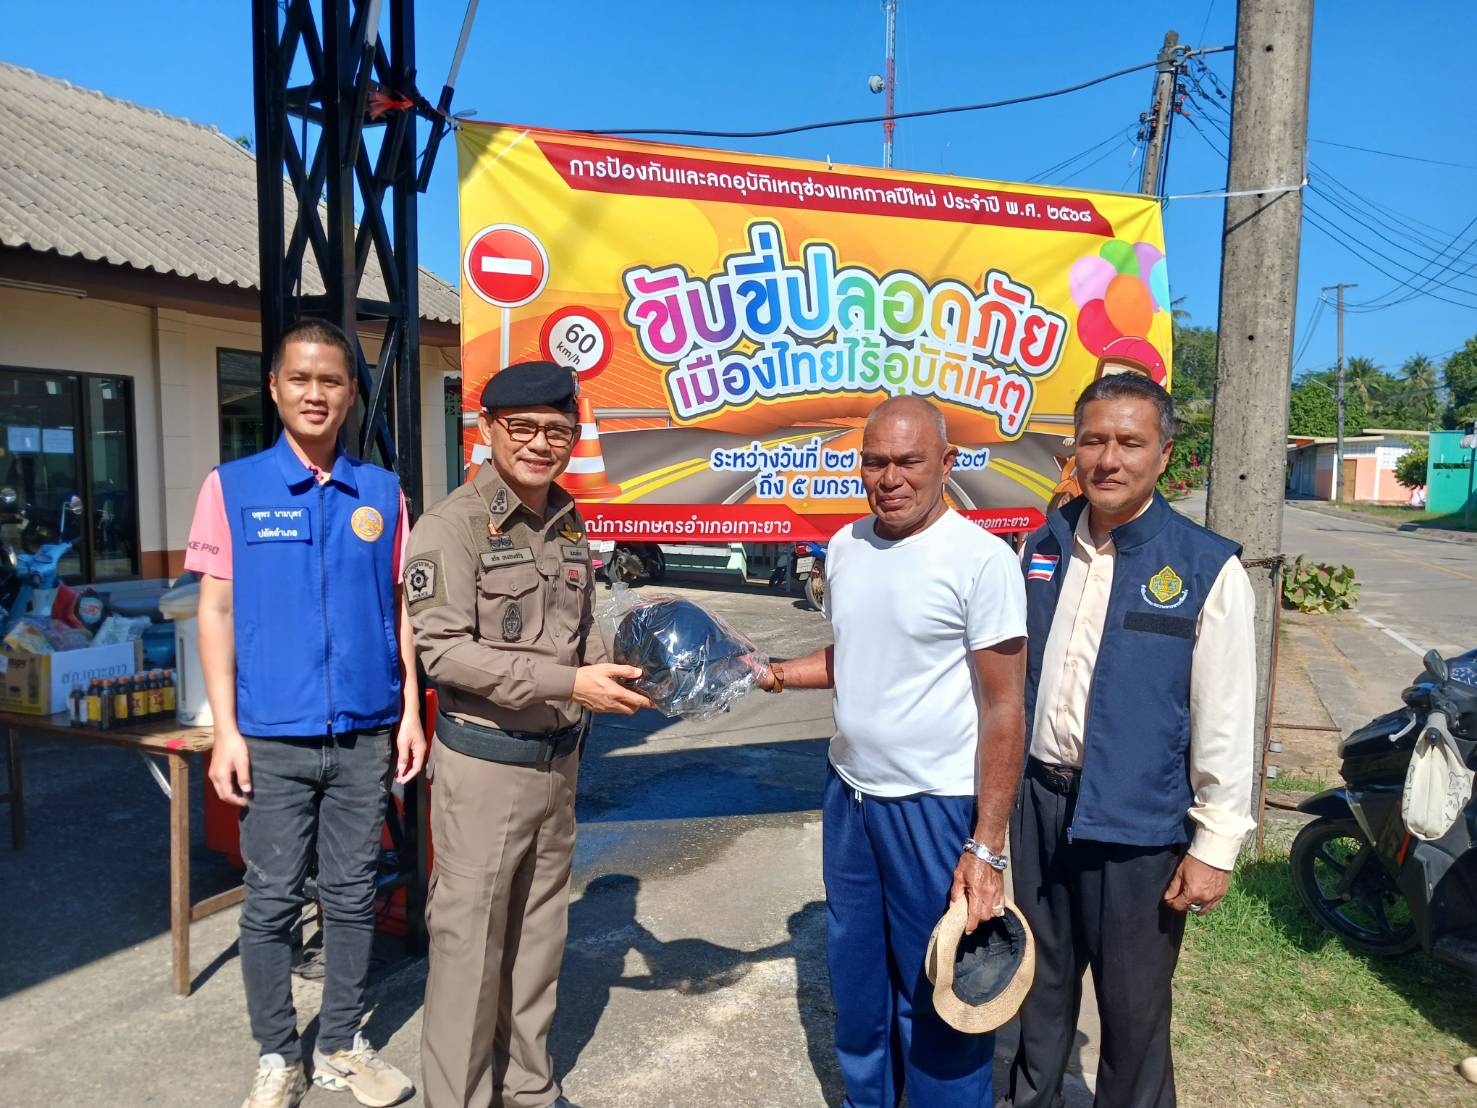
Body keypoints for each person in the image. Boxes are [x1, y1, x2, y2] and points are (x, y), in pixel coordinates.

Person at [753, 395, 1028, 1107]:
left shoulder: (982, 561)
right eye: (874, 462)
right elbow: (859, 654)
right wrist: (774, 673)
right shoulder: (846, 546)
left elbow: (1004, 707)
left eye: (909, 461)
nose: (890, 479)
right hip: (850, 795)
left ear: (948, 463)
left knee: (940, 986)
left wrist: (987, 846)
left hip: (934, 808)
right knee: (857, 980)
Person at [188, 318, 423, 1108]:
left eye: (331, 380)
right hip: (272, 736)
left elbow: (402, 610)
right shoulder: (232, 488)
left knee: (353, 895)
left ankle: (340, 1043)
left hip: (364, 733)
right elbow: (216, 610)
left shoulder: (382, 494)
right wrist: (225, 731)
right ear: (274, 388)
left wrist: (410, 714)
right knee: (273, 900)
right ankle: (277, 1055)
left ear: (352, 393)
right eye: (300, 378)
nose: (315, 393)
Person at [1004, 373, 1256, 1108]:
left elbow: (1226, 717)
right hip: (1039, 806)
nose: (1108, 459)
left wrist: (1214, 846)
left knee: (1133, 1010)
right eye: (1093, 441)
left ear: (1163, 454)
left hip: (1138, 825)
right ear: (1073, 451)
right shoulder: (1040, 545)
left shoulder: (1207, 567)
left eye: (1128, 442)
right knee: (1036, 991)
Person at [405, 361, 651, 1108]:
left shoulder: (567, 519)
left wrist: (630, 668)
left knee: (539, 940)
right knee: (468, 952)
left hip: (558, 765)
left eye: (558, 431)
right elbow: (443, 652)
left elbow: (579, 633)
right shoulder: (451, 526)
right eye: (524, 428)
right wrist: (569, 685)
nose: (541, 444)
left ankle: (529, 1088)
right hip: (486, 768)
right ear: (487, 429)